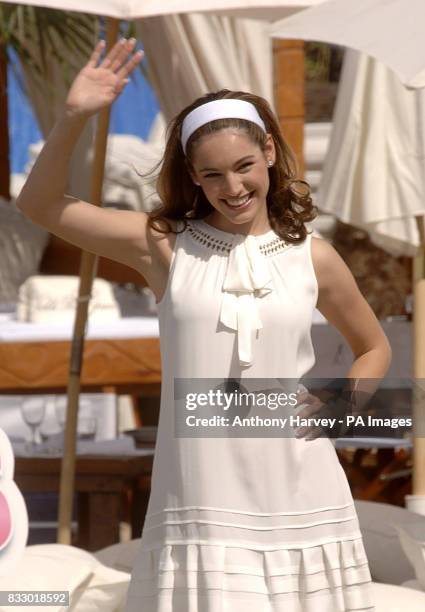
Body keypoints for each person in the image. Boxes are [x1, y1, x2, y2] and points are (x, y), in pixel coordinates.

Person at [17, 38, 392, 611]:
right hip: (200, 492)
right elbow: (39, 206)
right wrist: (74, 117)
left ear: (269, 151)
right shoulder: (164, 246)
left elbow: (373, 347)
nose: (232, 187)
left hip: (300, 483)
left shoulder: (312, 255)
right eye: (212, 174)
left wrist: (342, 399)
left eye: (244, 166)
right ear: (192, 177)